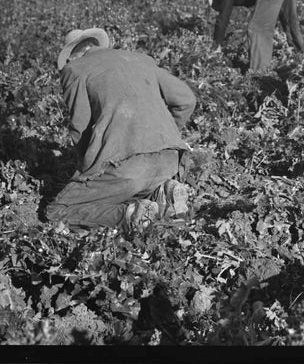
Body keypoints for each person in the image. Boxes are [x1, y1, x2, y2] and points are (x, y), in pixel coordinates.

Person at [44, 27, 197, 230]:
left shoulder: (75, 70)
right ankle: (165, 191)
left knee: (57, 211)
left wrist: (86, 171)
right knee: (133, 186)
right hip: (171, 161)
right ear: (95, 44)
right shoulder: (141, 59)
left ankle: (133, 214)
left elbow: (79, 128)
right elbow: (187, 100)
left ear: (72, 56)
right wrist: (163, 137)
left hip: (127, 168)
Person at [207, 0, 304, 74]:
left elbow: (222, 20)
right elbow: (281, 14)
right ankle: (303, 59)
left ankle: (259, 73)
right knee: (290, 21)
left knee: (257, 29)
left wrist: (216, 45)